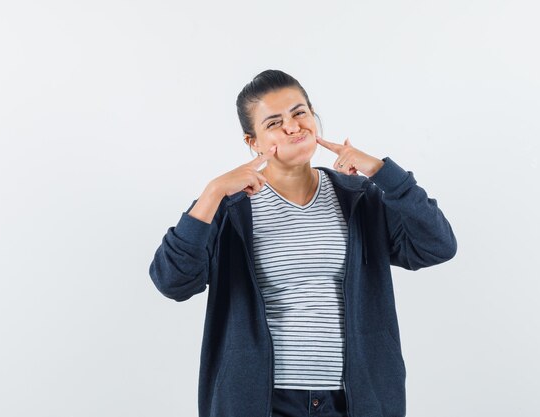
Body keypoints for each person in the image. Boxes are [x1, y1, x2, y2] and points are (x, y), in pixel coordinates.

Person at [149, 69, 457, 417]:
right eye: (274, 122)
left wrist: (381, 171)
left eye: (300, 113)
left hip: (354, 400)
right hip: (261, 403)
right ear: (253, 142)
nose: (293, 126)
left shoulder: (358, 198)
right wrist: (212, 192)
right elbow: (172, 281)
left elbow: (437, 244)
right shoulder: (229, 208)